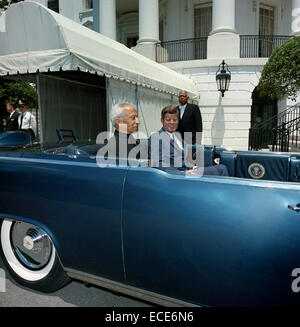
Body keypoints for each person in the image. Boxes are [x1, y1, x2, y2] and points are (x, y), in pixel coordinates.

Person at [148, 105, 228, 176]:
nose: (172, 122)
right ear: (162, 121)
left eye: (175, 119)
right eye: (168, 120)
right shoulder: (156, 138)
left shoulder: (177, 137)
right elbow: (157, 164)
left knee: (221, 164)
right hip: (180, 176)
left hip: (191, 168)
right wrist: (183, 173)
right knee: (222, 169)